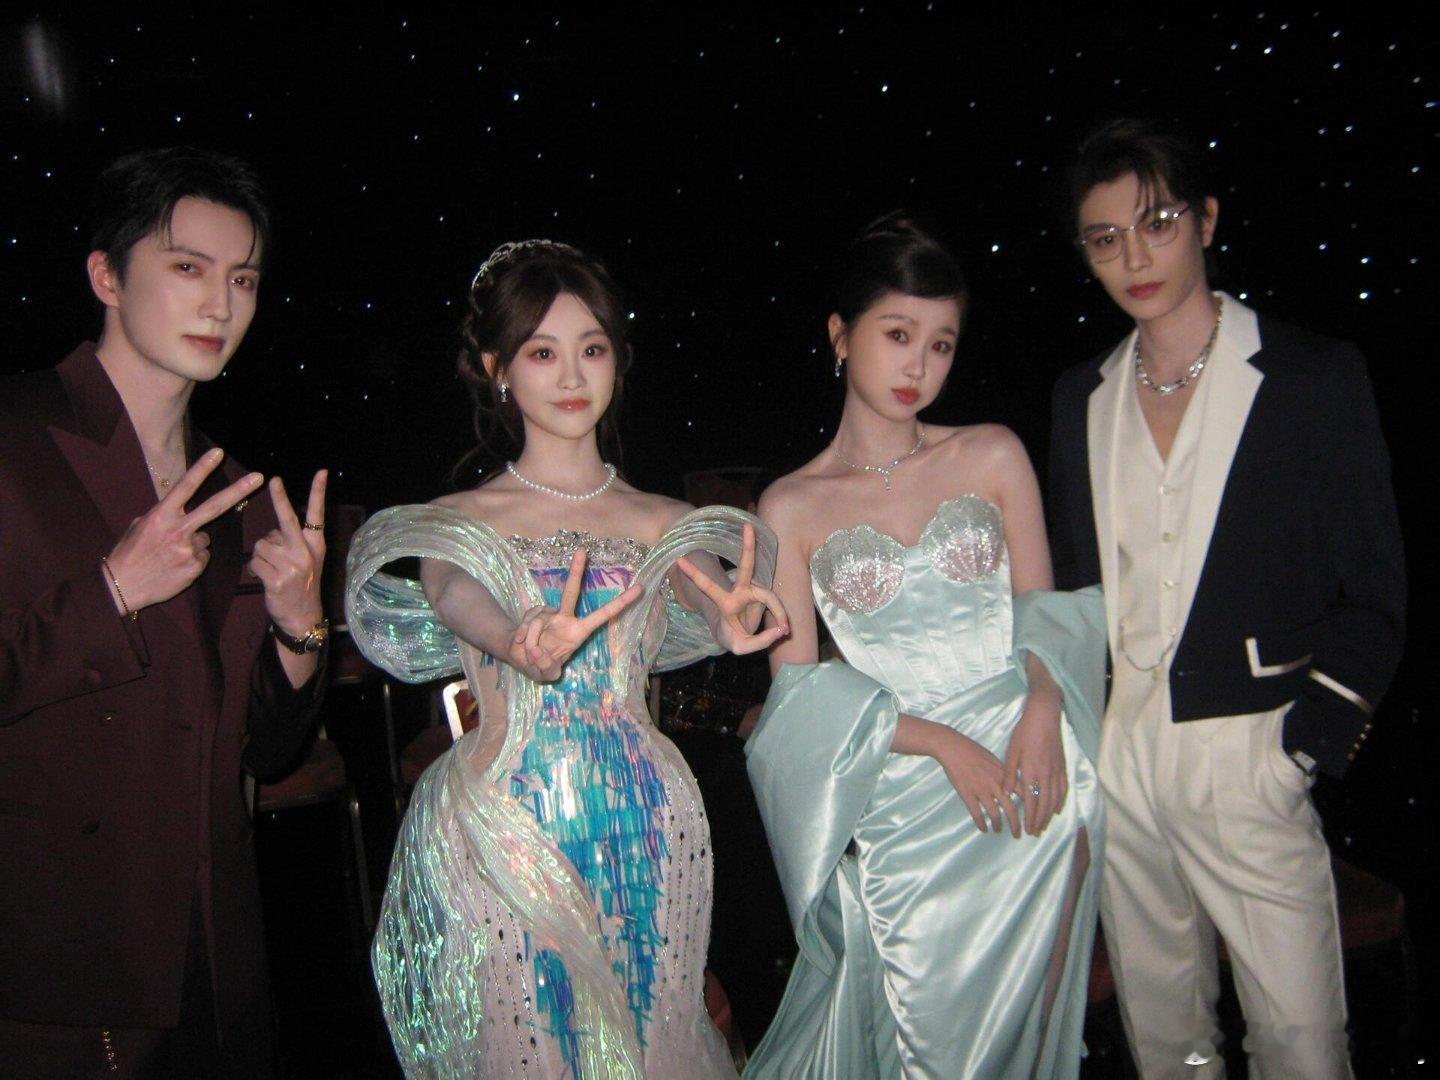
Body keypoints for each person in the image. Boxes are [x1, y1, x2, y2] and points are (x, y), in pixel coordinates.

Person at [344, 239, 788, 1078]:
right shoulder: (459, 519)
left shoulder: (660, 519)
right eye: (542, 352)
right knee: (529, 1045)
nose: (573, 375)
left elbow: (704, 583)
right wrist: (513, 637)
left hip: (645, 822)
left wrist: (731, 615)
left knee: (653, 1035)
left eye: (592, 349)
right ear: (497, 369)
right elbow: (455, 593)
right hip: (509, 823)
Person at [1048, 117, 1406, 1077]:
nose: (1135, 257)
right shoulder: (1081, 396)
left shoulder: (1310, 375)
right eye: (1105, 238)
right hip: (1124, 755)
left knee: (1302, 1042)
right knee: (1167, 1044)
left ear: (1206, 220)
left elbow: (1375, 592)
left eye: (1158, 223)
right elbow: (1077, 587)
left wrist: (1301, 746)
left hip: (1251, 747)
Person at [745, 214, 1108, 1078]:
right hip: (906, 787)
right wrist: (943, 743)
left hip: (1029, 768)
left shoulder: (992, 452)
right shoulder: (790, 506)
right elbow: (799, 699)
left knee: (1030, 1033)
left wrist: (1044, 710)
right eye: (898, 335)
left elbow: (1044, 615)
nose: (919, 366)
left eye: (941, 344)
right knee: (929, 1045)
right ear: (840, 336)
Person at [0, 148, 330, 1077]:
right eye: (188, 267)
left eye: (243, 279)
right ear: (106, 276)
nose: (220, 305)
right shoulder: (15, 438)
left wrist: (300, 628)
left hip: (211, 955)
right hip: (55, 961)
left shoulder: (237, 493)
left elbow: (266, 751)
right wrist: (111, 593)